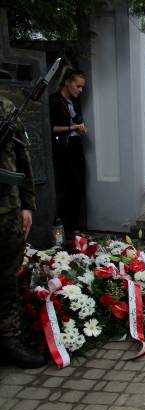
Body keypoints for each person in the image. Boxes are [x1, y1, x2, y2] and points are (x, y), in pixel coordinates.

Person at [0, 96, 47, 368]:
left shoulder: (5, 108)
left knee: (7, 277)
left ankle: (10, 341)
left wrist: (27, 204)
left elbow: (23, 158)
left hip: (7, 210)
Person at [49, 68, 88, 234]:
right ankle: (65, 227)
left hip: (76, 146)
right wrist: (73, 127)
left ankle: (74, 227)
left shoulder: (74, 102)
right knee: (72, 187)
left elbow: (76, 121)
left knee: (79, 187)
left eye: (82, 87)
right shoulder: (54, 101)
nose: (80, 90)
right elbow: (51, 128)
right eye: (78, 86)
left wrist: (80, 128)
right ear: (67, 82)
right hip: (62, 148)